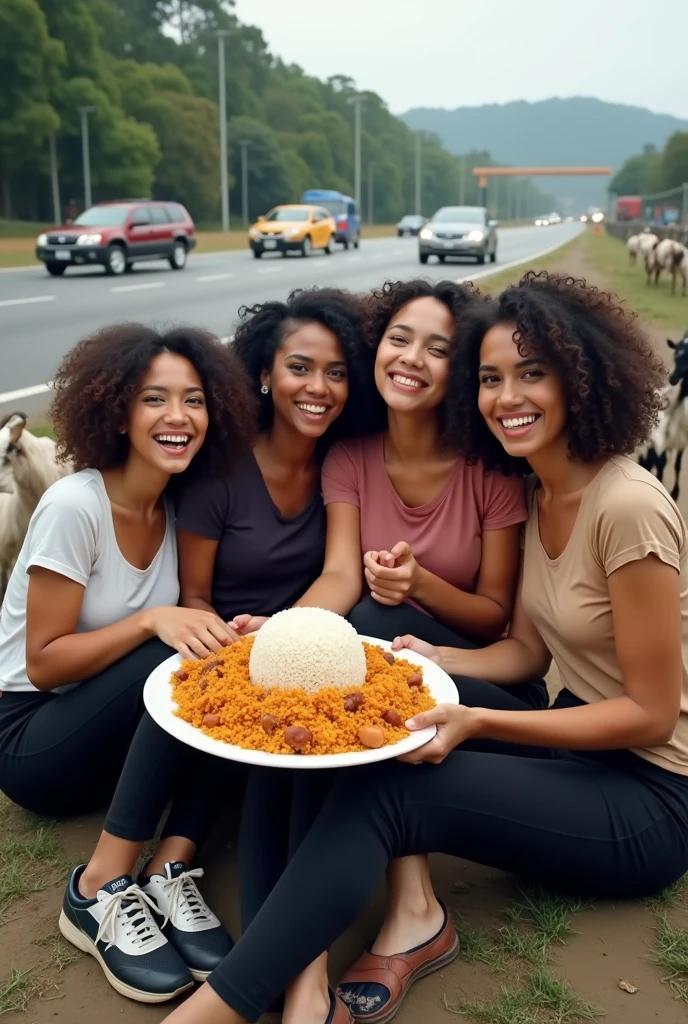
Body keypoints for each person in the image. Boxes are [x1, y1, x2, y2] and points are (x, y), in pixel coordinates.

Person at [159, 271, 688, 1024]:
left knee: (390, 789)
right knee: (337, 720)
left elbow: (650, 716)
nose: (509, 397)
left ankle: (221, 1009)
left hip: (650, 799)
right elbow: (527, 654)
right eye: (492, 378)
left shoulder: (628, 507)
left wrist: (479, 721)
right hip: (573, 745)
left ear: (582, 379)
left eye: (532, 375)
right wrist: (432, 665)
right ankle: (302, 982)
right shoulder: (541, 489)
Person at [60, 288, 379, 1005]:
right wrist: (236, 642)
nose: (318, 389)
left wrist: (288, 633)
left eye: (335, 373)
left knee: (277, 729)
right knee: (209, 681)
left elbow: (338, 572)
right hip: (217, 642)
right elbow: (194, 592)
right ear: (265, 372)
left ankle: (172, 866)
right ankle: (101, 883)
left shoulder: (338, 462)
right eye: (300, 367)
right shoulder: (223, 468)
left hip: (282, 645)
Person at [0, 323, 255, 821]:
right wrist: (150, 620)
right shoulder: (75, 506)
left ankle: (174, 858)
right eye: (154, 399)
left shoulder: (177, 510)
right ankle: (102, 882)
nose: (178, 417)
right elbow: (44, 665)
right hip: (32, 741)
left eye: (195, 401)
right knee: (166, 649)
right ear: (119, 414)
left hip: (110, 739)